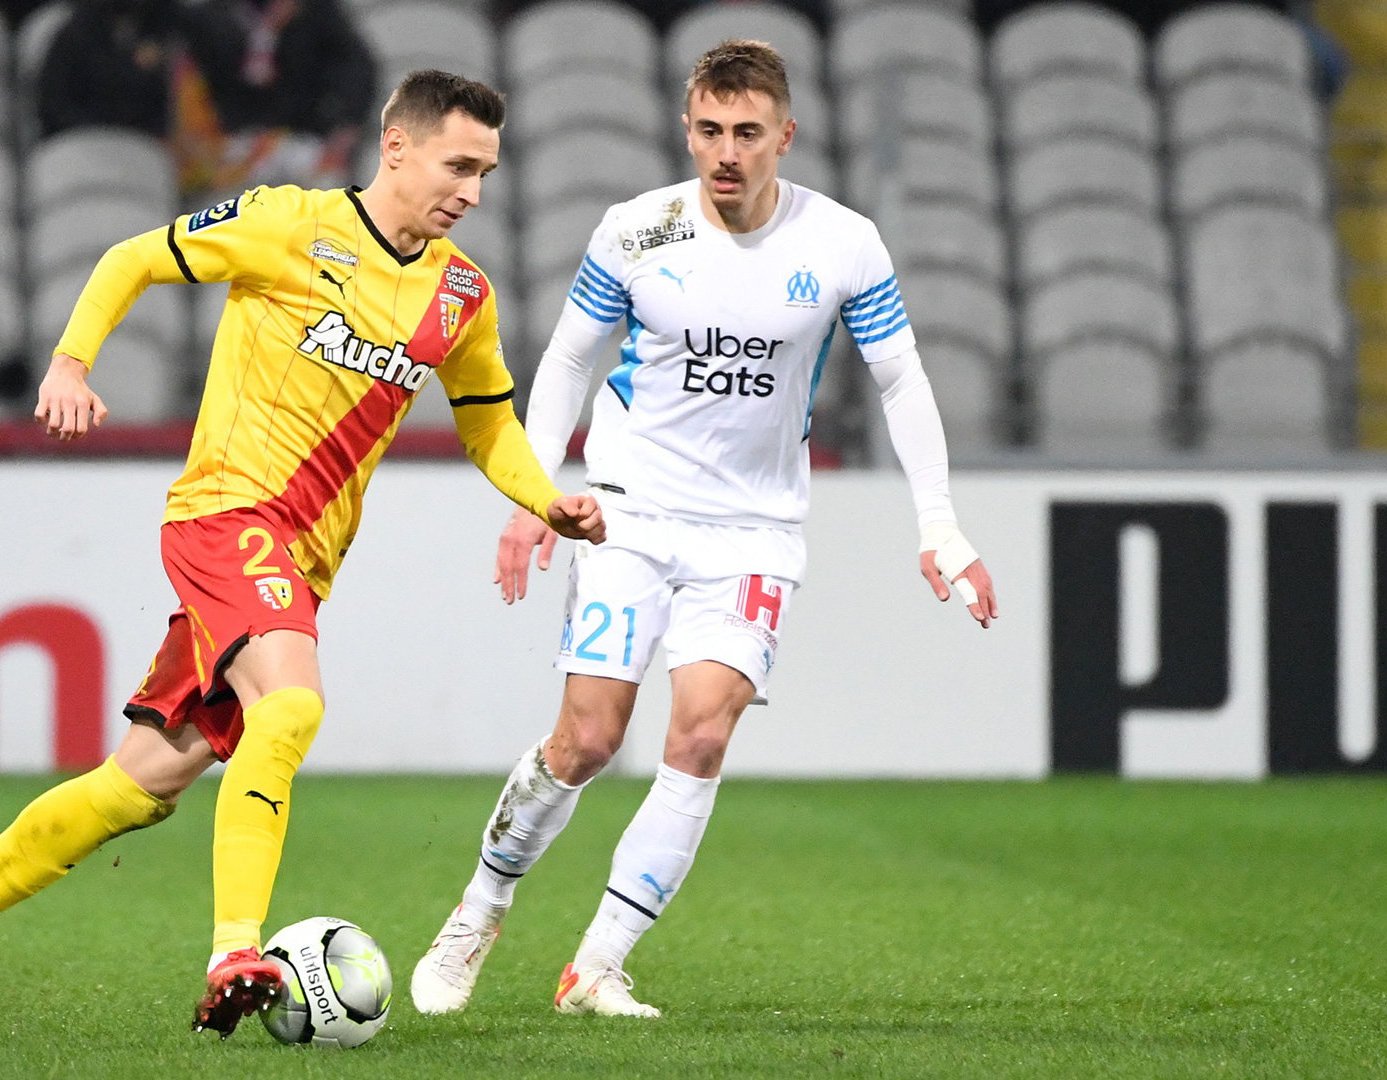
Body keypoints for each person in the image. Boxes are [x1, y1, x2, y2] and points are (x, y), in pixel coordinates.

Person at [0, 69, 607, 1043]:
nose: (469, 190)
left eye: (485, 173)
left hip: (296, 563)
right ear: (397, 148)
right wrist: (71, 362)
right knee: (291, 705)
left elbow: (487, 427)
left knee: (140, 783)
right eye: (458, 165)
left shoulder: (461, 294)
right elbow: (134, 257)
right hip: (224, 515)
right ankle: (234, 951)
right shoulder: (288, 225)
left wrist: (548, 498)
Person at [409, 40, 1002, 1019]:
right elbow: (564, 364)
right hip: (626, 515)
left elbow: (901, 379)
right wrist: (533, 493)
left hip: (755, 534)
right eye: (711, 131)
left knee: (701, 732)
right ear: (687, 128)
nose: (727, 153)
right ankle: (479, 910)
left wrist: (941, 527)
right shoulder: (634, 233)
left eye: (749, 134)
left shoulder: (844, 243)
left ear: (785, 137)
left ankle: (597, 963)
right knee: (588, 740)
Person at [169, 0, 375, 194]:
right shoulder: (206, 18)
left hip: (303, 137)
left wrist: (347, 121)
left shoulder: (315, 11)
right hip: (231, 141)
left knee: (325, 181)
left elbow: (357, 68)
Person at [36, 0, 175, 140]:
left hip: (141, 142)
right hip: (82, 141)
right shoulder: (77, 36)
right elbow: (54, 104)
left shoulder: (161, 27)